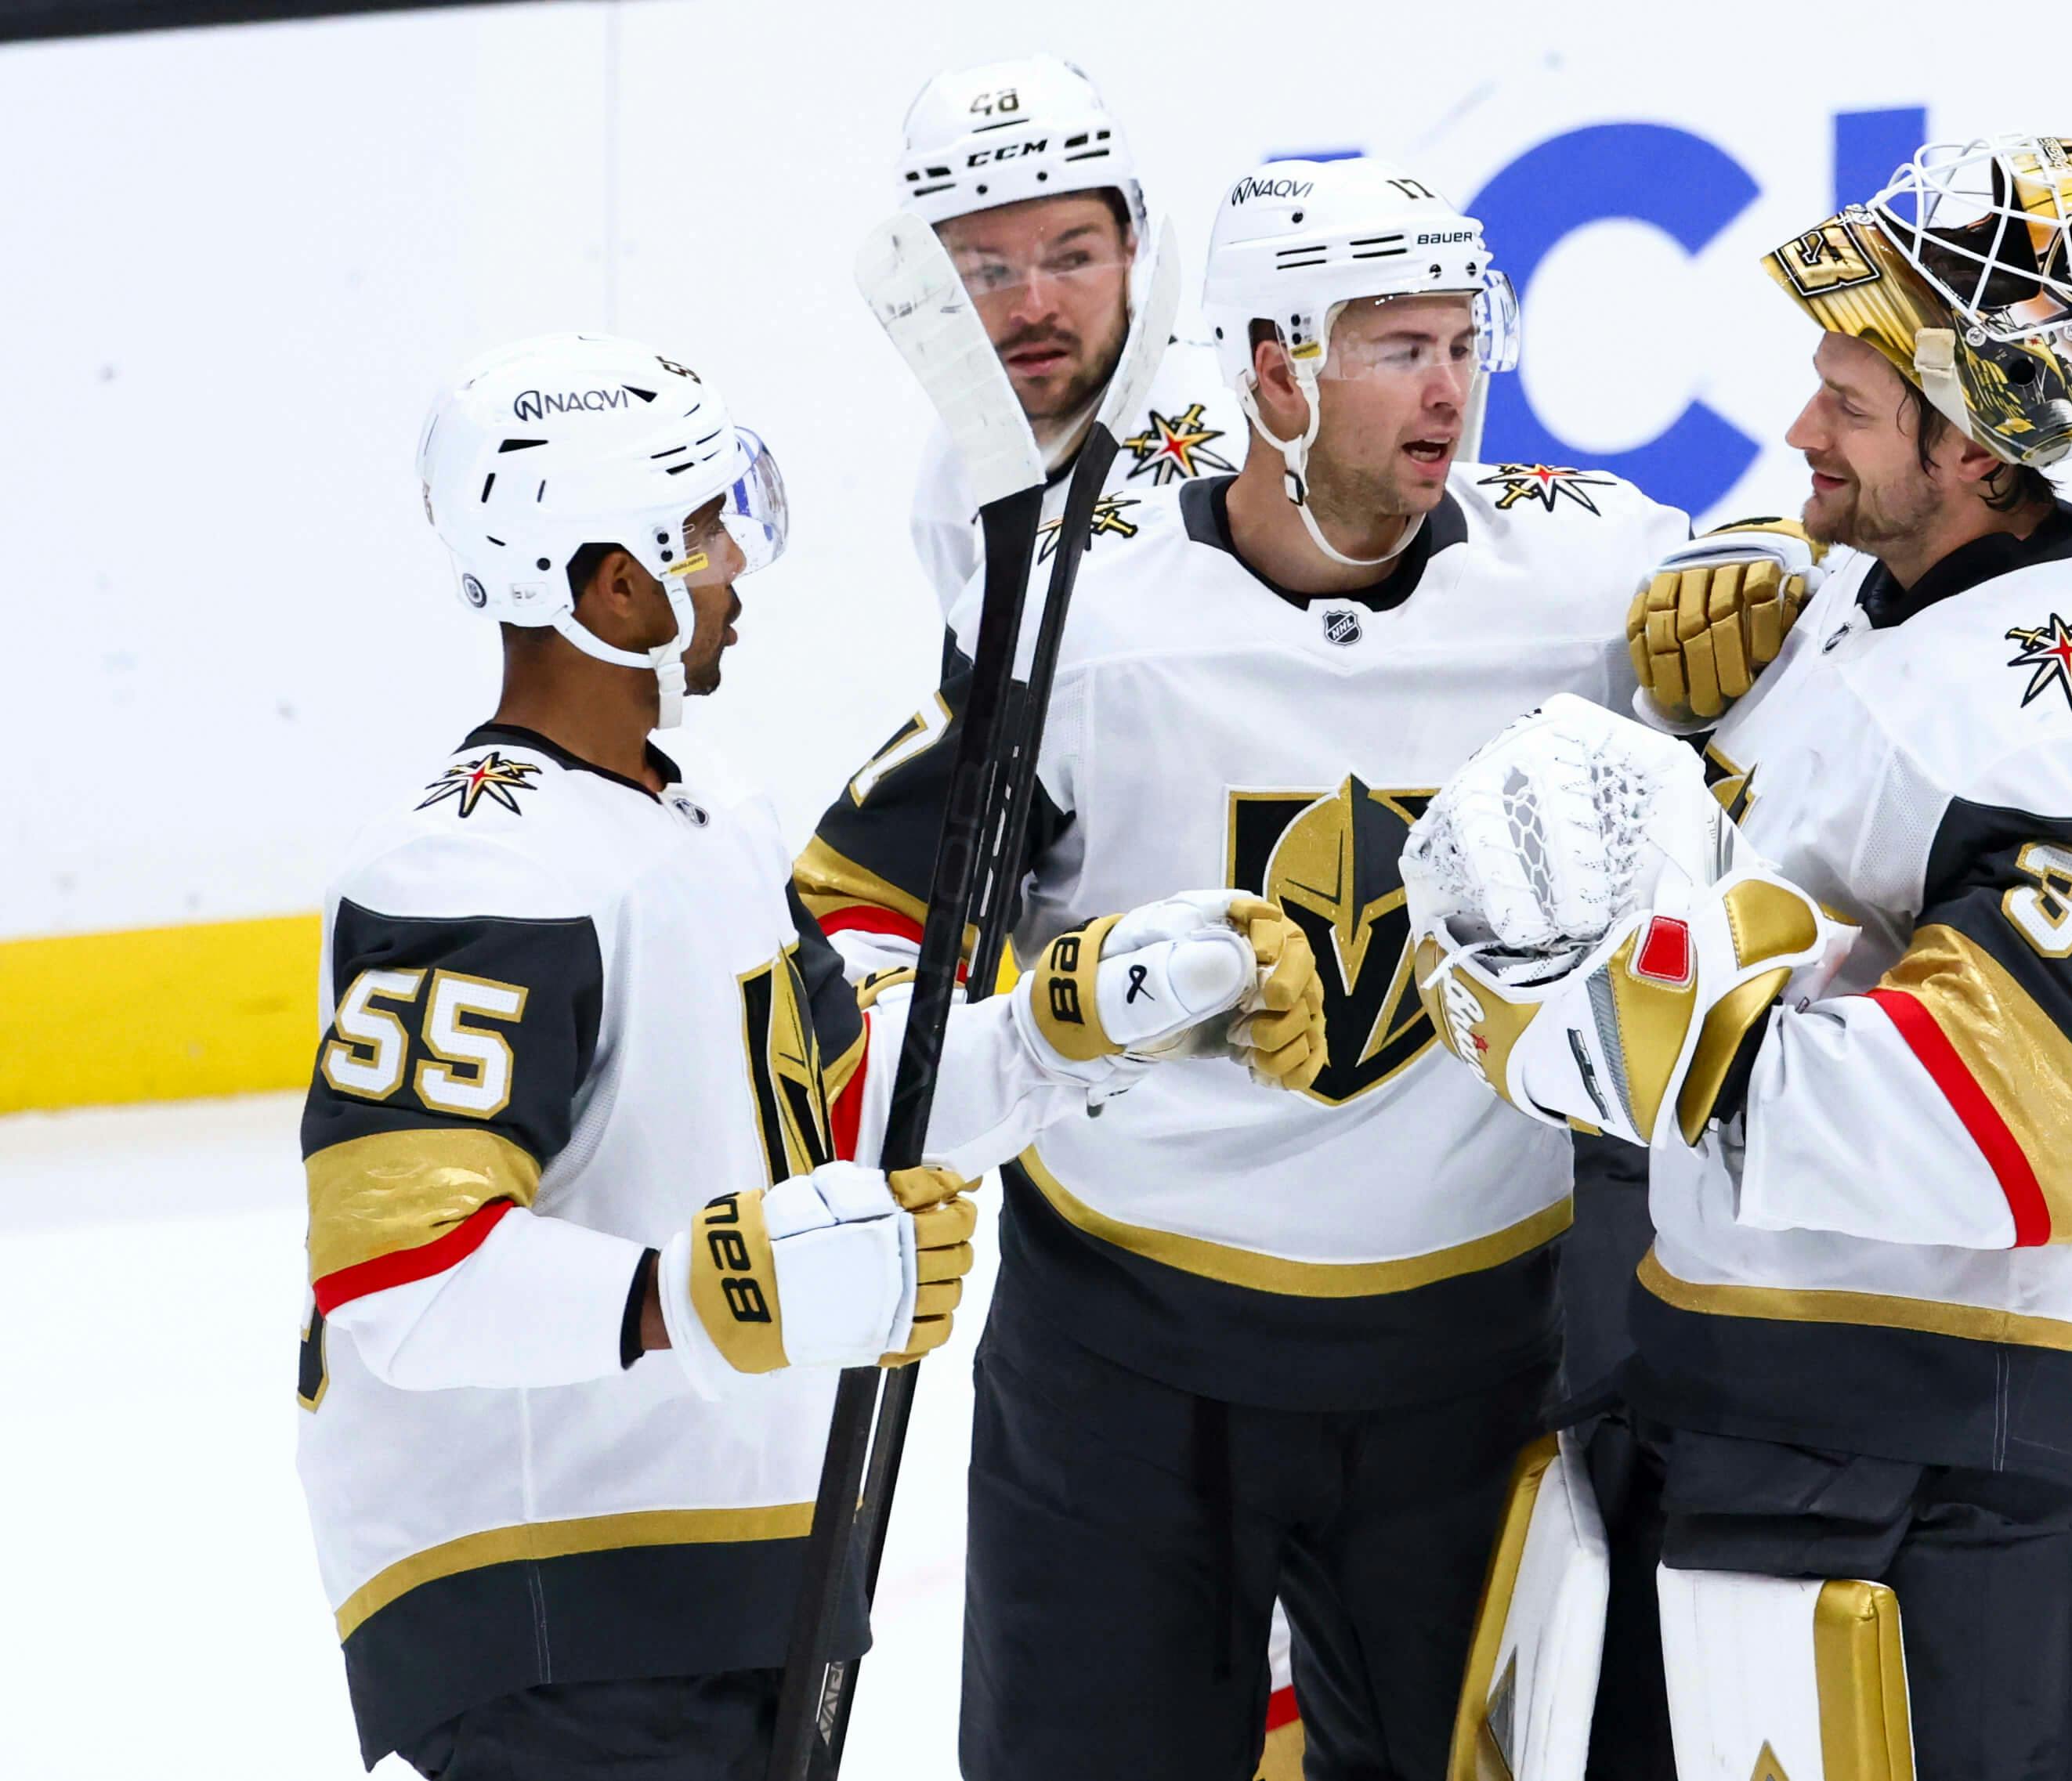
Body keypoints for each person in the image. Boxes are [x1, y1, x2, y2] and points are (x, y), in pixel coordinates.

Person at [297, 331, 1325, 1779]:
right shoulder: (486, 862)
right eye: (703, 529)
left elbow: (836, 1112)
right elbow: (396, 1271)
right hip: (552, 1605)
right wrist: (692, 1288)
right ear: (612, 586)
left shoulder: (703, 810)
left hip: (738, 1582)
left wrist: (1061, 1026)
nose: (735, 563)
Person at [795, 157, 1691, 1780]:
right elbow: (847, 953)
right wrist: (1048, 1028)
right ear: (1272, 368)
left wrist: (1773, 587)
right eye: (1395, 346)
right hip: (1123, 1384)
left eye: (1462, 338)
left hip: (1479, 1371)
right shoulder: (1085, 614)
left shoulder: (1591, 588)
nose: (1450, 386)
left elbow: (1803, 656)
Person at [1407, 136, 2072, 1779]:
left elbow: (2037, 1123)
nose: (1801, 433)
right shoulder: (1875, 604)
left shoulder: (2061, 709)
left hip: (1961, 1456)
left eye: (1850, 407)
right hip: (1787, 1417)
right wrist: (1688, 717)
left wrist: (1636, 1044)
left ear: (1986, 441)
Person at [893, 54, 1246, 621]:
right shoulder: (951, 479)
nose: (1033, 308)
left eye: (1072, 260)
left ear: (1132, 243)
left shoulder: (1249, 432)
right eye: (988, 272)